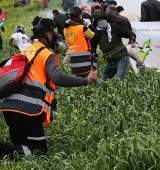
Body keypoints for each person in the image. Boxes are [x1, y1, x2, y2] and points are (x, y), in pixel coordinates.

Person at [0, 18, 96, 157]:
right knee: (39, 152)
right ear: (48, 34)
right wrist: (85, 80)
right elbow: (57, 78)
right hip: (28, 110)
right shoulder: (46, 54)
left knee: (21, 150)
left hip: (9, 108)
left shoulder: (26, 50)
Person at [90, 5, 136, 80]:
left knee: (119, 78)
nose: (102, 21)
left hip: (122, 56)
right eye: (100, 20)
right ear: (97, 22)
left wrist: (132, 37)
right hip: (111, 60)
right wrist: (93, 53)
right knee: (104, 80)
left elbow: (127, 33)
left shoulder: (114, 27)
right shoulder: (97, 33)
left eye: (103, 19)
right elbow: (93, 45)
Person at [107, 5, 145, 72]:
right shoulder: (131, 13)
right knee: (132, 51)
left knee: (128, 52)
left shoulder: (117, 18)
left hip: (124, 38)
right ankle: (139, 65)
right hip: (132, 34)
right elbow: (141, 20)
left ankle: (137, 69)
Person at [62, 7, 95, 78]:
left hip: (72, 59)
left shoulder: (65, 29)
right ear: (80, 15)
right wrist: (88, 25)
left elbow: (68, 43)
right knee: (89, 79)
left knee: (77, 80)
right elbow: (93, 36)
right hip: (85, 59)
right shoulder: (82, 27)